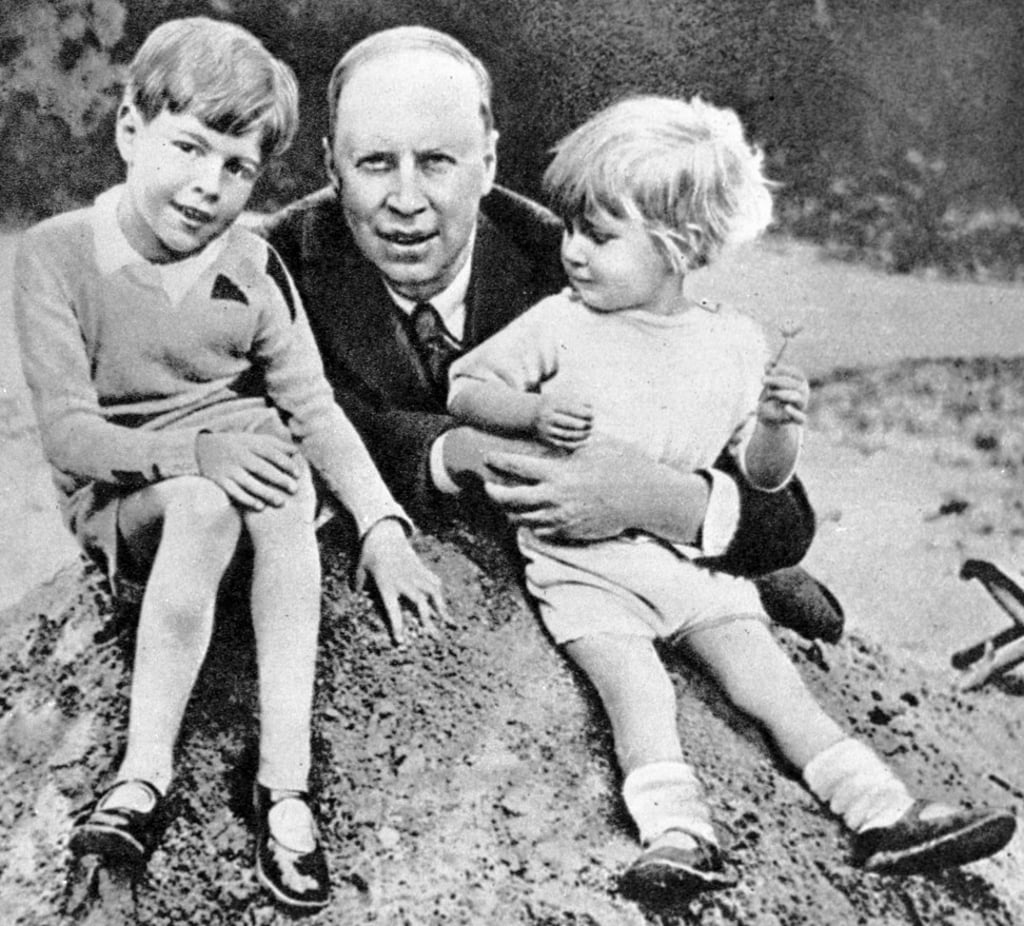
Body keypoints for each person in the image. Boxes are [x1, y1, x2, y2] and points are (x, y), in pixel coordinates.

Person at [446, 94, 1017, 903]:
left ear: (680, 246)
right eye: (572, 227)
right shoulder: (560, 323)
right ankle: (678, 833)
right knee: (635, 693)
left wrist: (782, 427)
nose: (570, 250)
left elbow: (764, 481)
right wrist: (531, 410)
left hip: (694, 567)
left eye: (599, 235)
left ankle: (884, 811)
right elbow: (466, 387)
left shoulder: (733, 342)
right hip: (583, 567)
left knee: (773, 686)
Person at [14, 18, 444, 912]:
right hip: (129, 492)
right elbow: (66, 435)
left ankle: (285, 789)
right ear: (130, 129)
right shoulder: (56, 255)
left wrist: (381, 523)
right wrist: (188, 453)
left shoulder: (252, 262)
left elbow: (310, 408)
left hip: (252, 478)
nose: (209, 186)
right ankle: (143, 776)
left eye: (239, 167)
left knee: (278, 486)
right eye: (189, 148)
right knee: (208, 501)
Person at [260, 25, 843, 642]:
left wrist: (651, 497)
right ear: (330, 166)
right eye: (375, 162)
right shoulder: (274, 266)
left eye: (436, 162)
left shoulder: (565, 262)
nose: (406, 199)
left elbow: (778, 509)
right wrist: (456, 451)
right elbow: (294, 420)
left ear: (487, 164)